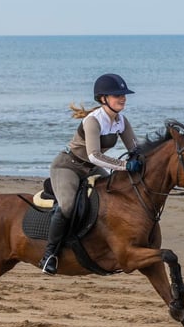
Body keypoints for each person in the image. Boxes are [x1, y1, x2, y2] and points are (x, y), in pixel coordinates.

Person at [39, 73, 143, 275]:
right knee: (68, 206)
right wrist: (124, 165)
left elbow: (135, 149)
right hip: (68, 166)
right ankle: (49, 255)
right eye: (117, 95)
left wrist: (143, 161)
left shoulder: (121, 121)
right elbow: (94, 155)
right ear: (103, 98)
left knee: (113, 194)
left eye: (123, 95)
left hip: (90, 169)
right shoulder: (93, 121)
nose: (122, 98)